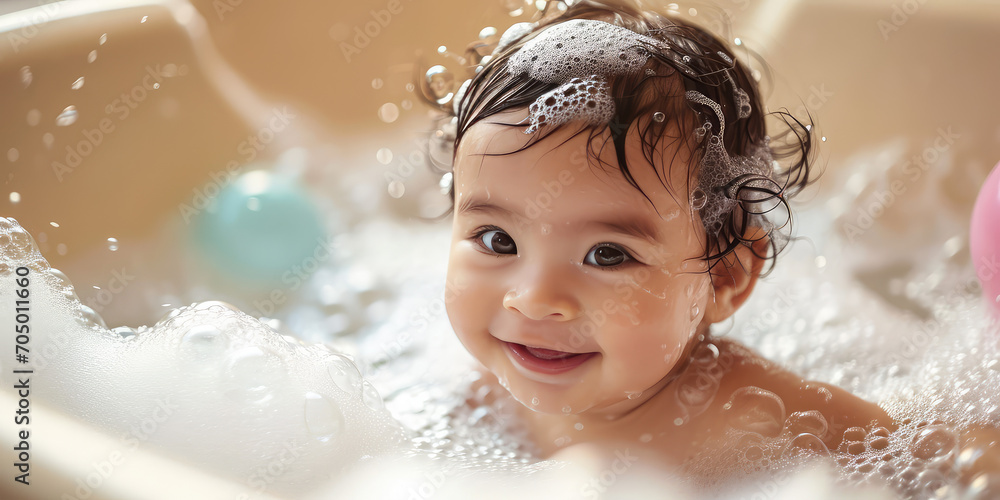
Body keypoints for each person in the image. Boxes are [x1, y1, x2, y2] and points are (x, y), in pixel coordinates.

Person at [423, 0, 998, 493]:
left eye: (607, 254)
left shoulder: (754, 415)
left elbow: (940, 456)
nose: (533, 300)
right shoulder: (489, 385)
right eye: (497, 240)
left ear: (725, 277)